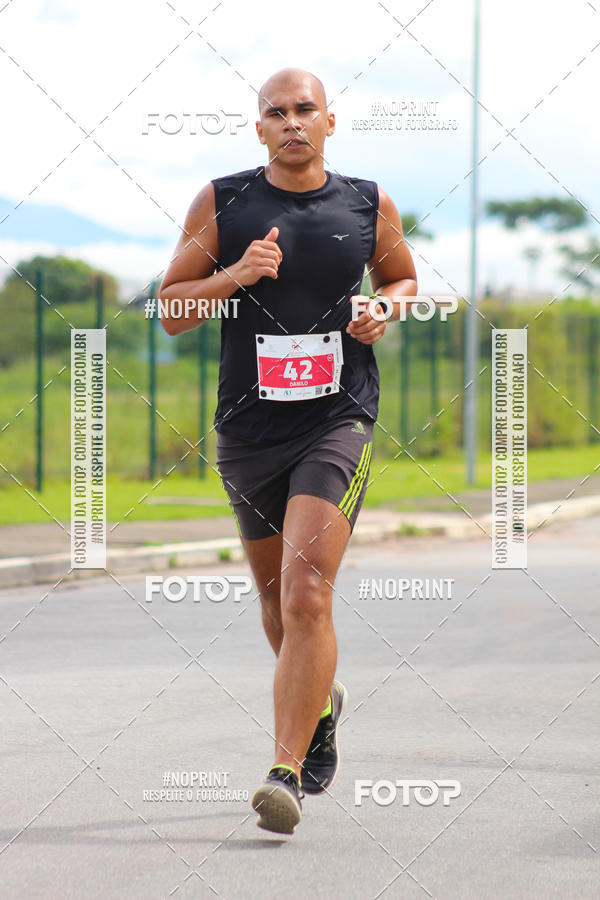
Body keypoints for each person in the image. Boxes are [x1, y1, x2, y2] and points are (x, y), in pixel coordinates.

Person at [159, 67, 418, 835]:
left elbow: (404, 281)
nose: (293, 121)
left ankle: (285, 772)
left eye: (306, 109)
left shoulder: (368, 202)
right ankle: (321, 706)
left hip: (338, 419)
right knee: (276, 602)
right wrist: (236, 275)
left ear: (330, 121)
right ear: (260, 129)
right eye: (277, 113)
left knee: (307, 594)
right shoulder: (223, 202)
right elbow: (170, 309)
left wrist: (382, 309)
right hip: (248, 430)